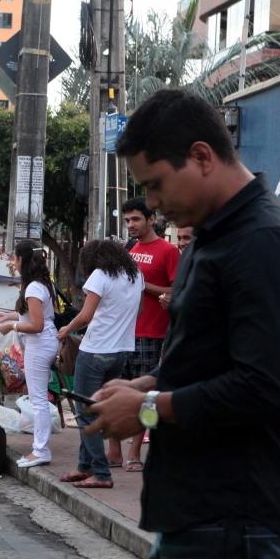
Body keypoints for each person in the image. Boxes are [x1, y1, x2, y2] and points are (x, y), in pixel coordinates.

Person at [87, 89, 280, 559]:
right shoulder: (208, 239)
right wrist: (138, 386)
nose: (152, 203)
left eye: (156, 185)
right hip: (190, 511)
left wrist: (146, 409)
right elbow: (200, 364)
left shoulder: (266, 243)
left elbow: (262, 387)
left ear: (201, 156)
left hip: (230, 515)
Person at [55, 240, 144, 488]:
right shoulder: (135, 274)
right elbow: (139, 310)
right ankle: (84, 467)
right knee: (95, 409)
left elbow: (85, 316)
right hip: (121, 351)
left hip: (95, 350)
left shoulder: (100, 275)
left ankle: (102, 474)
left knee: (85, 413)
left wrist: (66, 330)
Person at [114, 196, 180, 473]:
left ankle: (135, 452)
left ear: (151, 219)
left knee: (145, 395)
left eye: (136, 219)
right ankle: (114, 451)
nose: (130, 224)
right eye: (127, 220)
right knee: (118, 390)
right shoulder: (128, 249)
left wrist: (145, 284)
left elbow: (177, 291)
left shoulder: (168, 251)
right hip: (122, 332)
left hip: (151, 333)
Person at [0, 240, 60, 468]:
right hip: (45, 341)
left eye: (14, 258)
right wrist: (7, 317)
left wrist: (11, 327)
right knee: (39, 398)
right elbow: (32, 316)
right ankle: (40, 449)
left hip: (40, 344)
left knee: (38, 400)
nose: (13, 262)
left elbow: (37, 325)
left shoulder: (33, 287)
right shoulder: (42, 283)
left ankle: (41, 450)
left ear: (21, 259)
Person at [159, 226, 193, 309]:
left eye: (187, 238)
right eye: (179, 238)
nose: (181, 243)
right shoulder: (184, 262)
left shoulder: (208, 264)